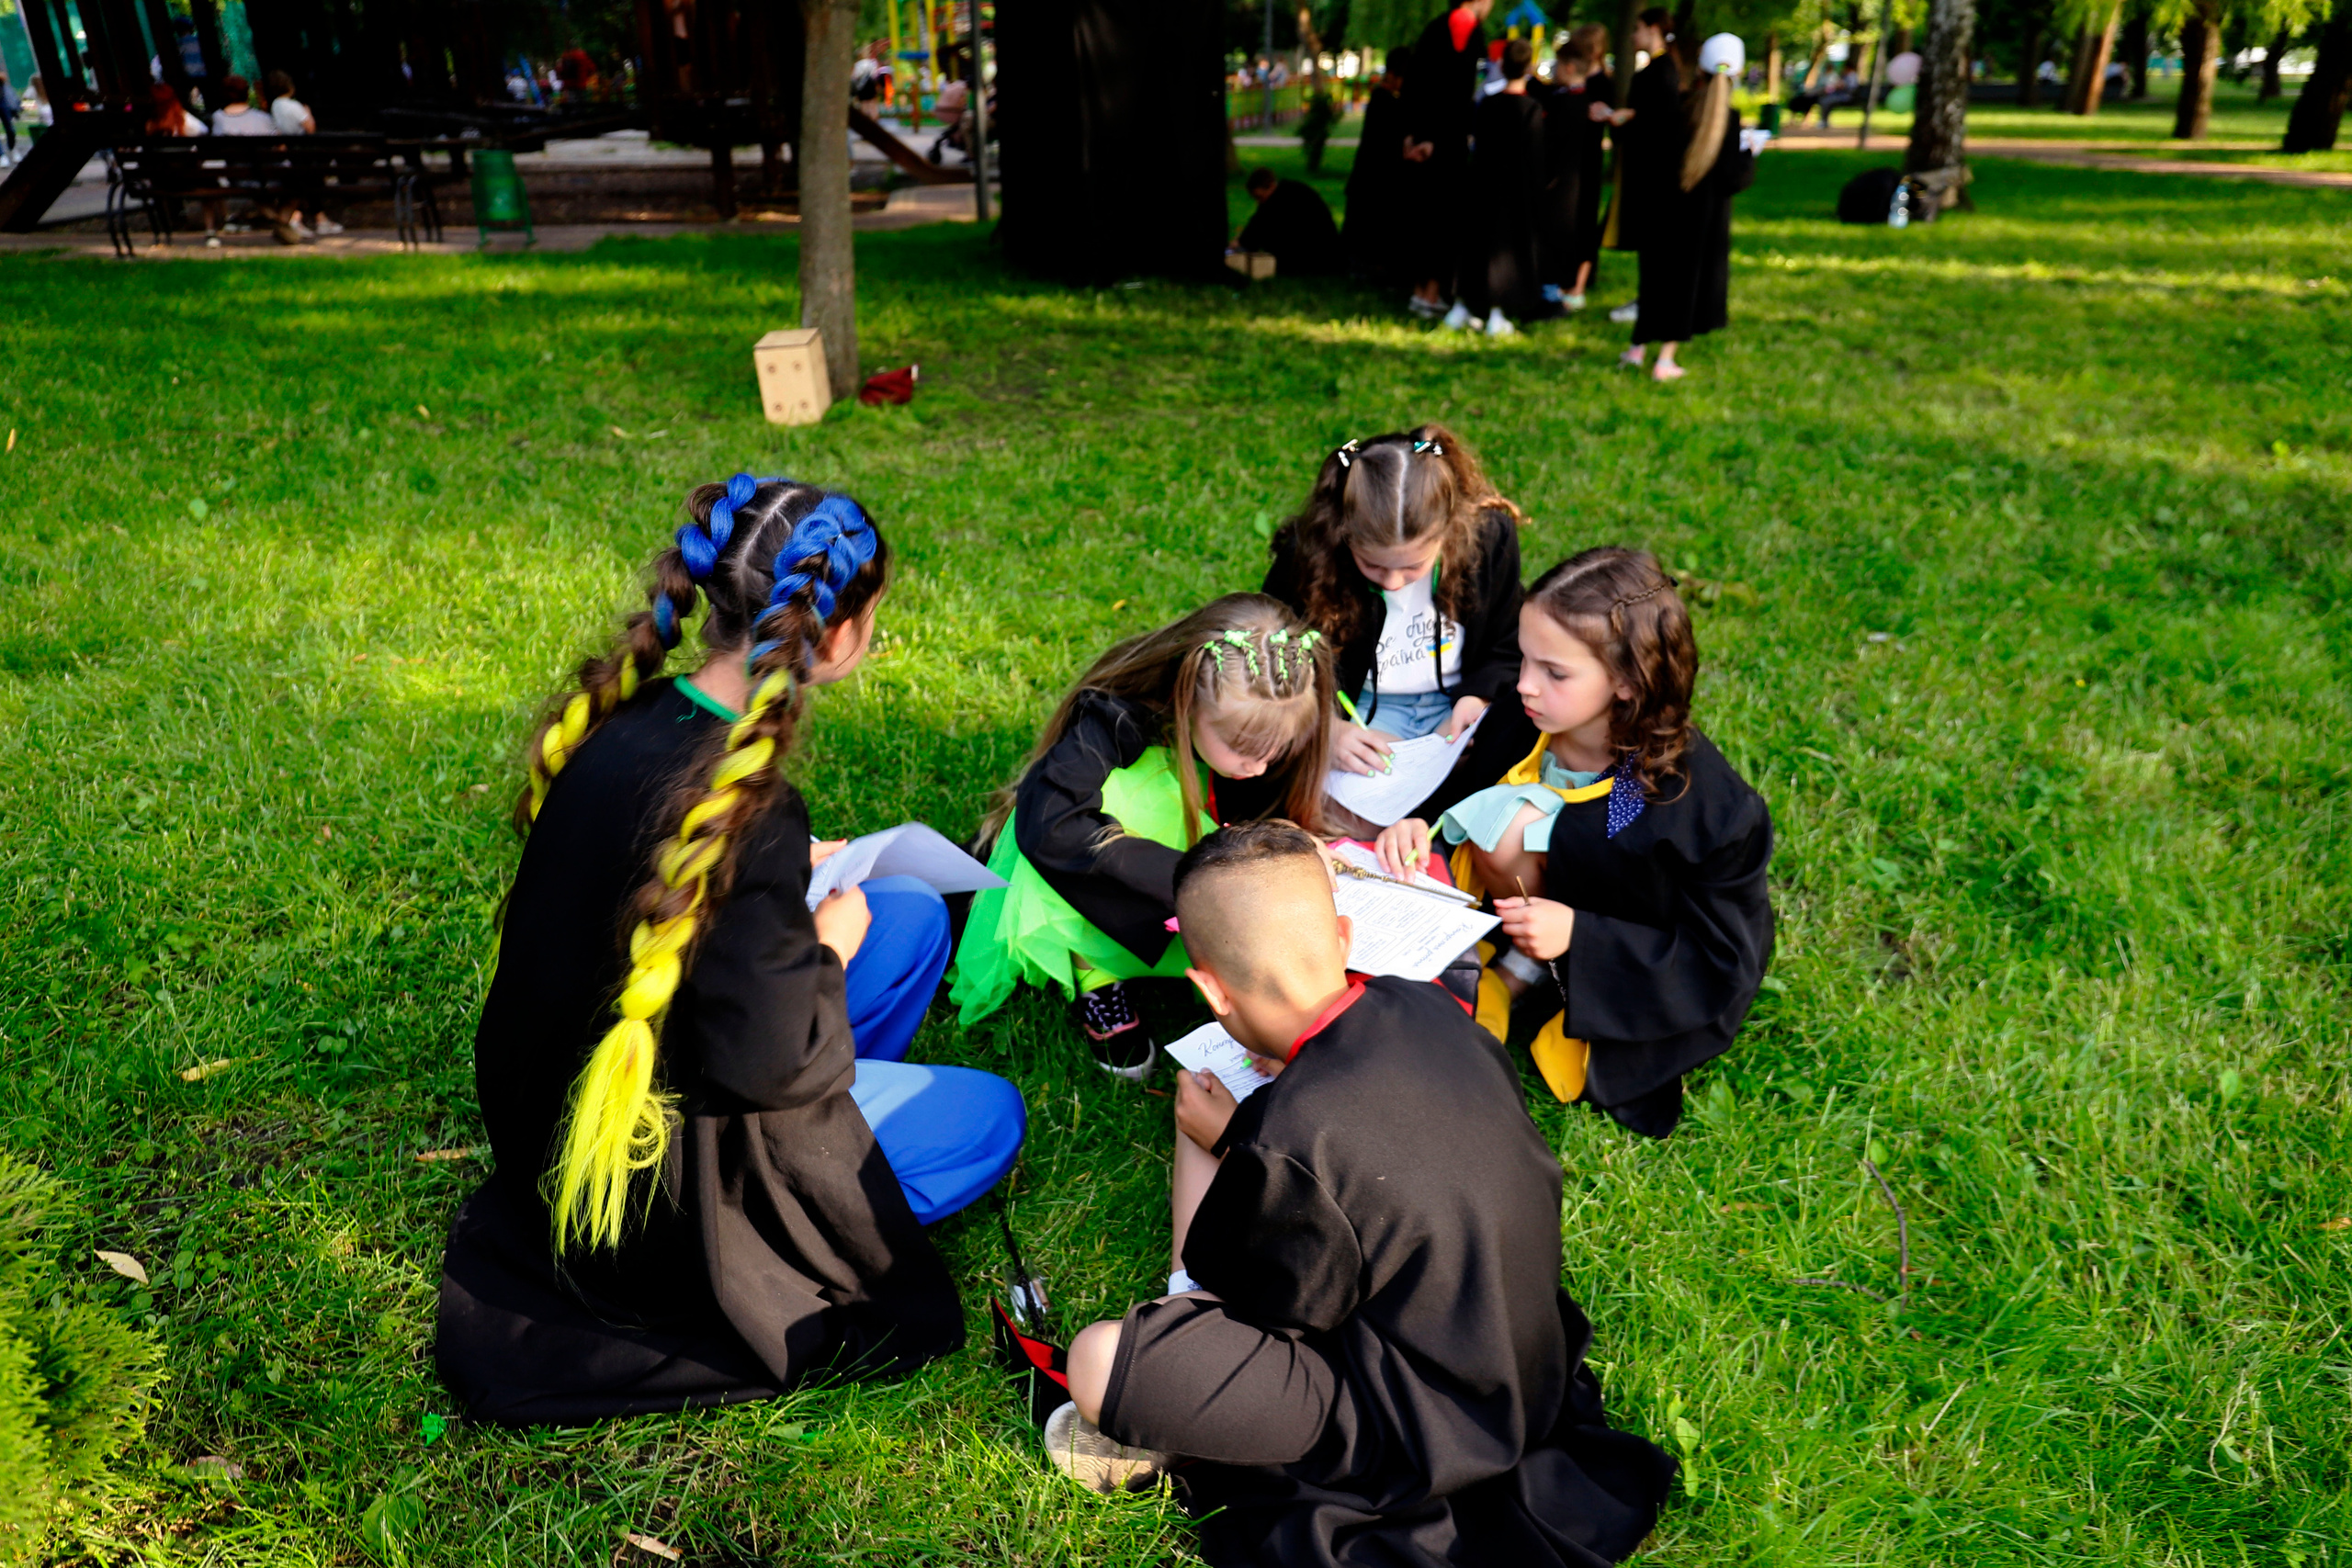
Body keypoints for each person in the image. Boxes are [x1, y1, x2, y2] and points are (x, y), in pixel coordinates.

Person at [435, 475, 1027, 1426]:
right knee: (989, 1118)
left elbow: (671, 905)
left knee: (911, 913)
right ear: (837, 635)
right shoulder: (752, 816)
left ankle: (855, 1102)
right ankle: (823, 1173)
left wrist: (793, 883)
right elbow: (772, 1060)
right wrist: (824, 949)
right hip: (658, 1170)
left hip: (580, 1082)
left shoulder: (628, 714)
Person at [1042, 821, 1678, 1568]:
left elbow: (1258, 1308)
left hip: (1416, 1427)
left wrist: (1236, 1147)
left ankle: (1172, 1414)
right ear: (1344, 936)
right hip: (1517, 1354)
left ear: (1209, 989)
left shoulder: (1291, 1142)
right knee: (1209, 1133)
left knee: (1096, 1360)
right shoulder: (1432, 1006)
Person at [1376, 547, 1773, 1138]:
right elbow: (1468, 781)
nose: (1525, 685)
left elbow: (1723, 959)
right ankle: (1506, 972)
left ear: (1626, 683)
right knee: (1503, 819)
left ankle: (1536, 981)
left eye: (1554, 672)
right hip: (1525, 905)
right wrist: (1420, 821)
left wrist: (1582, 937)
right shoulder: (1526, 717)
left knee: (1520, 826)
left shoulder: (1703, 809)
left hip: (1630, 948)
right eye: (1526, 657)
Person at [949, 596, 1334, 1077]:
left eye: (1277, 750)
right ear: (1190, 701)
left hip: (1188, 861)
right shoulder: (1116, 717)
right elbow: (1052, 825)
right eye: (1242, 749)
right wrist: (1201, 876)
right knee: (1134, 793)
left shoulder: (1261, 721)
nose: (1258, 766)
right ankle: (1095, 966)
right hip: (1091, 865)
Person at [1261, 424, 1532, 838]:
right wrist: (1325, 729)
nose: (1392, 582)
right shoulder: (1310, 556)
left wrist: (1476, 696)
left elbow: (1510, 640)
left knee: (1512, 793)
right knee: (1325, 818)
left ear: (1448, 531)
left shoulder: (1488, 539)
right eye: (1373, 565)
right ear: (1343, 533)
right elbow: (1275, 656)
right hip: (1362, 711)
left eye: (1412, 567)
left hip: (1461, 707)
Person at [1618, 32, 1753, 381]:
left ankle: (1637, 348)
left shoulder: (1679, 109)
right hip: (1701, 222)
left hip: (1663, 214)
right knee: (1685, 285)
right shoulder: (1728, 121)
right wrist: (1749, 153)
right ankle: (1665, 359)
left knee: (1656, 282)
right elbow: (1733, 178)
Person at [1396, 0, 1494, 319]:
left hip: (1421, 139)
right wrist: (1437, 140)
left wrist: (1411, 134)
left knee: (1420, 214)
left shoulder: (1435, 27)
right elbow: (1457, 92)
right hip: (1445, 144)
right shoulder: (1468, 30)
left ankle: (1417, 291)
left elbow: (1415, 84)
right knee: (1443, 217)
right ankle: (1431, 294)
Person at [1453, 37, 1546, 334]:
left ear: (1502, 65)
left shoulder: (1488, 105)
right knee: (1507, 251)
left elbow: (1477, 144)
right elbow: (1534, 156)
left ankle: (1464, 304)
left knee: (1478, 244)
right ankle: (1496, 309)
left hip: (1483, 185)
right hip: (1515, 191)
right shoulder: (1530, 109)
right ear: (1529, 67)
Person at [1536, 26, 1614, 311]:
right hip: (1572, 164)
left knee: (1581, 224)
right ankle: (1560, 283)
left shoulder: (1598, 85)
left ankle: (1576, 284)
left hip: (1583, 165)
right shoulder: (1570, 91)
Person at [1340, 68, 1408, 283]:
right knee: (1366, 230)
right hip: (1372, 180)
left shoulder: (1381, 100)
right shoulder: (1386, 101)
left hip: (1366, 177)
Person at [1234, 166, 1341, 276]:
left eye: (1260, 197)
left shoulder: (1281, 200)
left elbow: (1260, 225)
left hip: (1317, 255)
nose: (1260, 202)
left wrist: (1242, 242)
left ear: (1271, 186)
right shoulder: (1288, 191)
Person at [0, 72, 19, 169]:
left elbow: (3, 76)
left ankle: (12, 148)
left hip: (2, 100)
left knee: (10, 129)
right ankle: (1, 155)